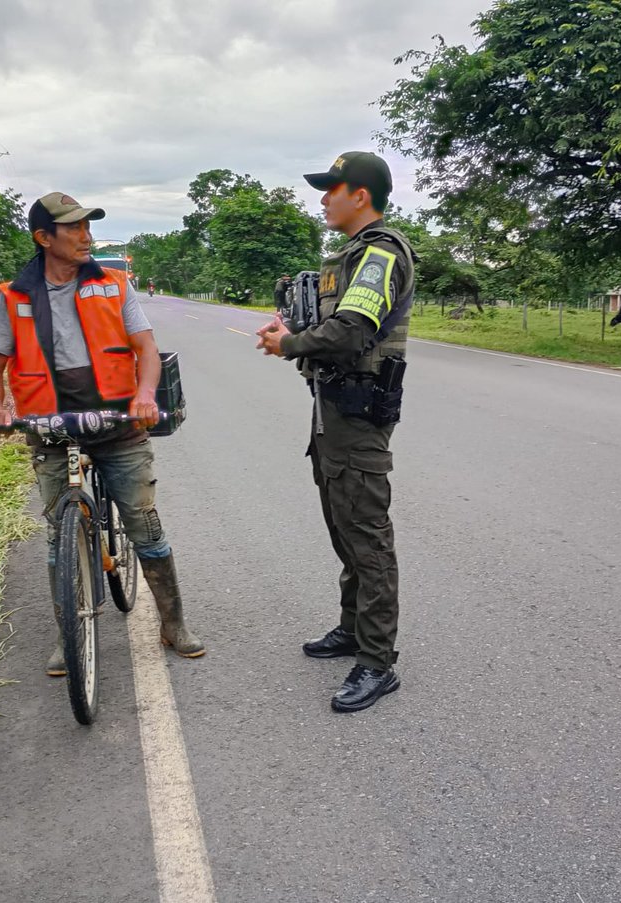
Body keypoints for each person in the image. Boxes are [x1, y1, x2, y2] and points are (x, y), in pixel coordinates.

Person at [0, 192, 204, 676]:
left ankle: (174, 623)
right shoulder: (14, 296)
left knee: (144, 523)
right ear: (44, 238)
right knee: (58, 536)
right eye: (74, 228)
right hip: (50, 427)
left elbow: (146, 349)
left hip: (118, 425)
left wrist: (145, 396)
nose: (86, 236)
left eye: (88, 226)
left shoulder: (113, 285)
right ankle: (69, 636)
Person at [256, 152, 415, 712]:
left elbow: (351, 332)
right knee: (344, 528)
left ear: (362, 195)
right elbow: (332, 324)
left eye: (333, 188)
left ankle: (377, 661)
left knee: (367, 537)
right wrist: (294, 329)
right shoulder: (347, 258)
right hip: (332, 416)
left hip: (359, 416)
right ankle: (352, 630)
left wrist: (292, 345)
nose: (324, 198)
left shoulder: (379, 253)